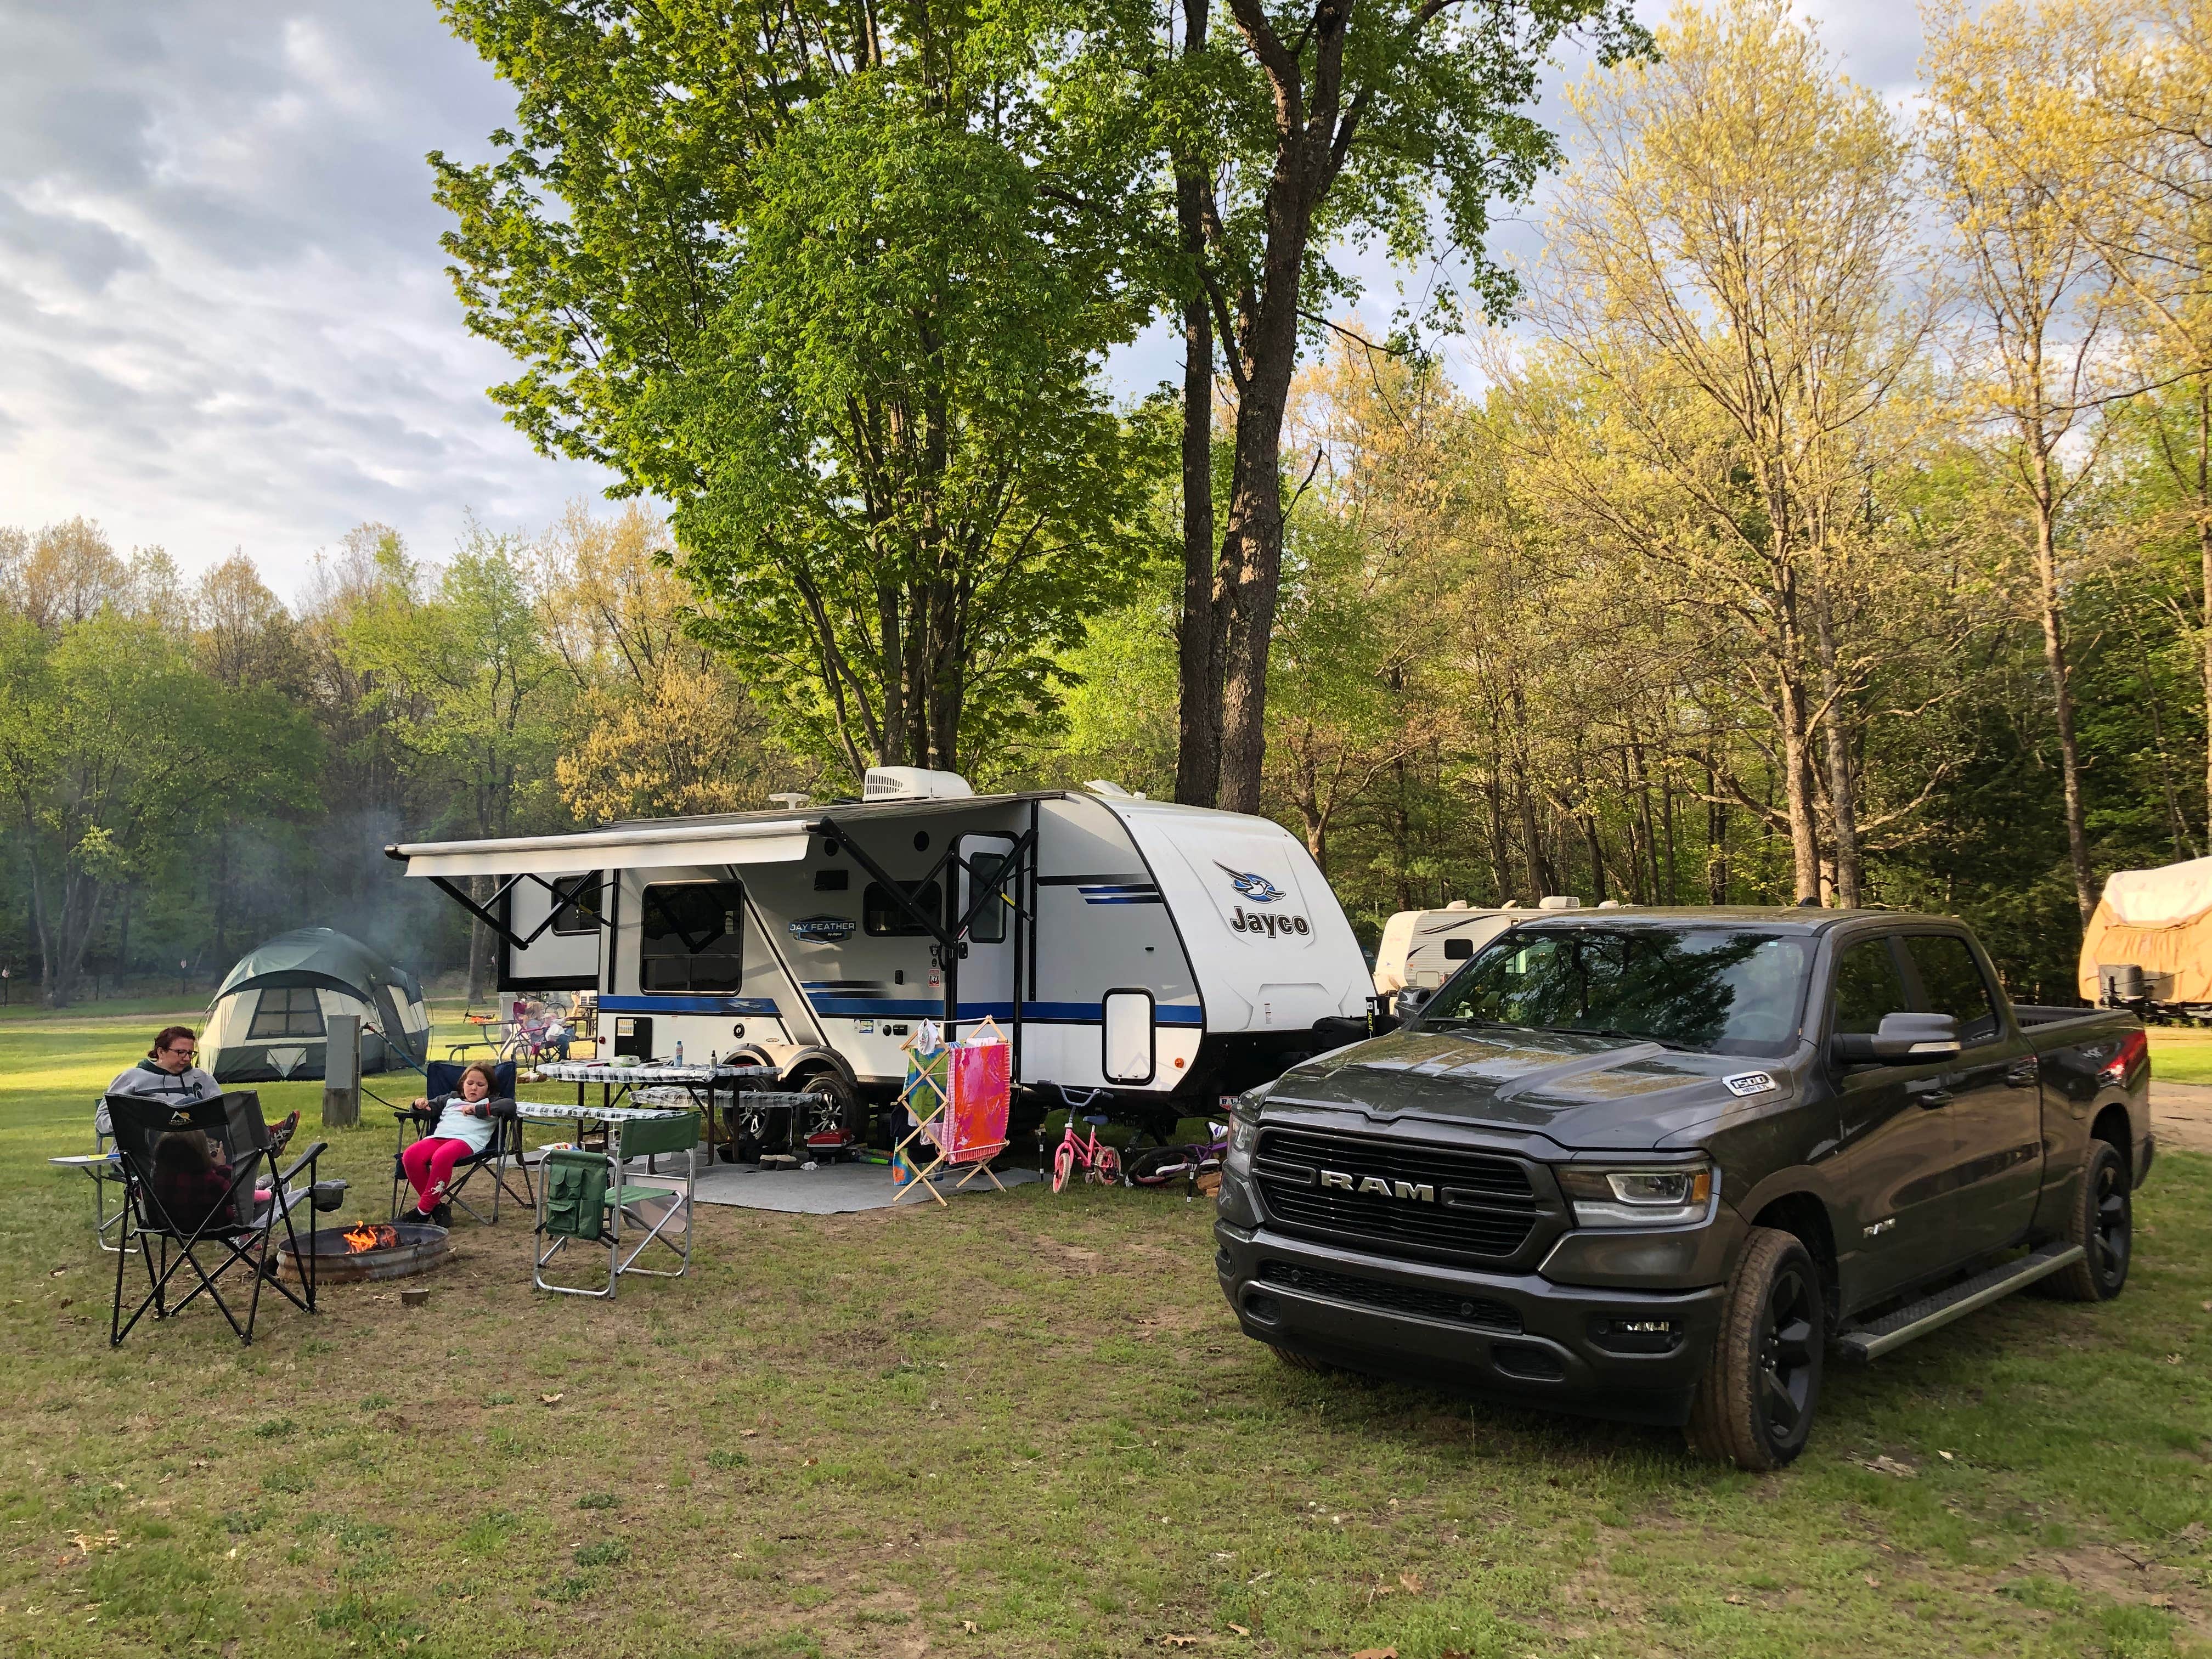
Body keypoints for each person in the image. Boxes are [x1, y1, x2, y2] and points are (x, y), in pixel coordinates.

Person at [400, 1062, 516, 1225]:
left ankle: (422, 1212)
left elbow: (510, 1106)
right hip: (438, 1138)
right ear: (463, 1085)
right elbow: (427, 1110)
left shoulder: (493, 1102)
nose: (474, 1088)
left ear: (489, 1089)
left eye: (480, 1085)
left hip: (467, 1141)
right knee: (410, 1156)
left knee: (442, 1157)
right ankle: (438, 1208)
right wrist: (417, 1106)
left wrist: (479, 1110)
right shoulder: (450, 1099)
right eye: (470, 1083)